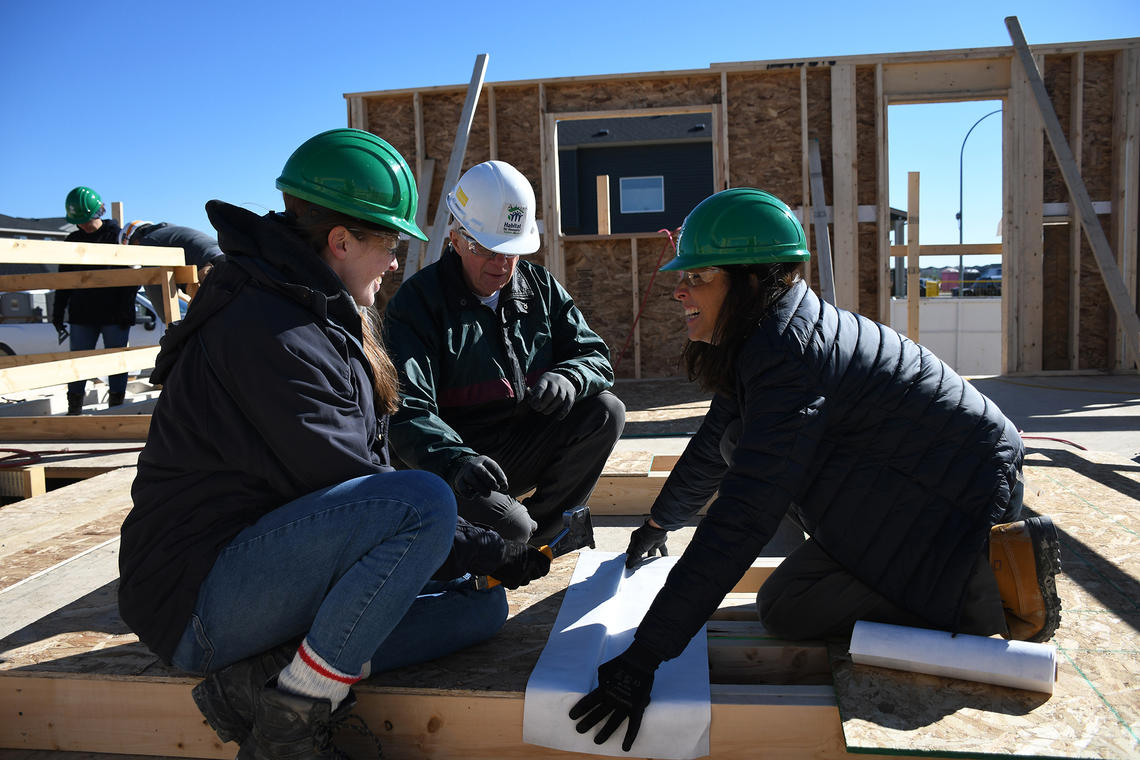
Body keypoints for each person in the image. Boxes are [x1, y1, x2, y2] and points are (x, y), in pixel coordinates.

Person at [567, 188, 1062, 752]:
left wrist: (644, 655)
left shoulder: (787, 351)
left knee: (787, 606)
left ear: (750, 280)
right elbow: (713, 444)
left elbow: (746, 512)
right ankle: (938, 569)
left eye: (699, 276)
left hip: (960, 491)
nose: (678, 289)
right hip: (916, 476)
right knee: (780, 582)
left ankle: (985, 589)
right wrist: (659, 525)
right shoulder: (765, 333)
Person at [118, 129, 551, 758]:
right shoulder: (269, 330)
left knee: (479, 612)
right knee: (422, 502)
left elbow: (352, 487)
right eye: (390, 245)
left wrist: (481, 560)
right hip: (197, 597)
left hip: (265, 566)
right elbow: (352, 487)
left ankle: (258, 681)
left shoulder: (312, 310)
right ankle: (292, 717)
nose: (397, 262)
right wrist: (482, 545)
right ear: (340, 241)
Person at [384, 160, 626, 545]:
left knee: (606, 411)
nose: (502, 265)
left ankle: (540, 539)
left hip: (519, 444)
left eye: (512, 252)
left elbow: (595, 355)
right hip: (456, 463)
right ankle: (507, 537)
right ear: (456, 238)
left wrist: (570, 377)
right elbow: (406, 410)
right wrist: (456, 460)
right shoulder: (418, 305)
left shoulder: (540, 287)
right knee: (511, 526)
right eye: (488, 249)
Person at [53, 186, 137, 414]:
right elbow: (63, 282)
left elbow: (132, 277)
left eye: (85, 220)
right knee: (78, 364)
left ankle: (116, 410)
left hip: (114, 314)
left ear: (96, 213)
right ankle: (74, 409)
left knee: (116, 362)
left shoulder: (116, 237)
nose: (82, 225)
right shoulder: (72, 241)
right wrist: (58, 314)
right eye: (78, 221)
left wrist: (126, 310)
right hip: (83, 314)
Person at [119, 220, 225, 308]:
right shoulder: (170, 233)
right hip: (226, 261)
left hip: (210, 270)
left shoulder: (149, 244)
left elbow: (158, 295)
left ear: (134, 240)